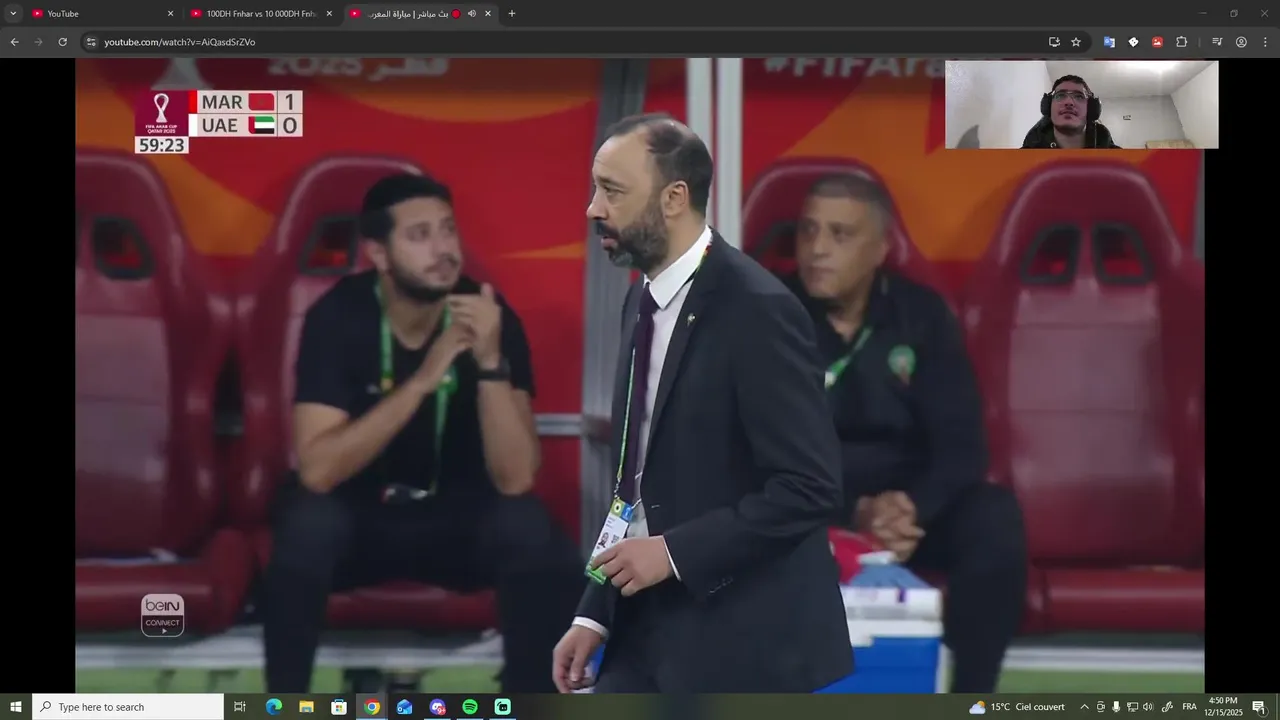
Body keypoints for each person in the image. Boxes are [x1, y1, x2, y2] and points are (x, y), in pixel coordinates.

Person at [550, 113, 851, 693]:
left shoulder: (757, 309)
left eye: (612, 191)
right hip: (649, 626)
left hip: (744, 637)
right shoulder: (640, 303)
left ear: (674, 198)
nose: (593, 209)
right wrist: (594, 609)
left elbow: (808, 488)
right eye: (595, 190)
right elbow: (633, 482)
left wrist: (672, 554)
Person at [262, 173, 583, 693]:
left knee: (530, 529)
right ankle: (284, 704)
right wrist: (423, 380)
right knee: (305, 524)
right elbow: (317, 471)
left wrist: (490, 363)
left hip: (453, 522)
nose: (443, 249)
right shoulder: (337, 316)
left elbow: (517, 478)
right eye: (419, 235)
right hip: (357, 523)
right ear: (379, 254)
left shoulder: (489, 316)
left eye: (448, 230)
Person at [788, 173, 1029, 694]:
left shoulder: (921, 315)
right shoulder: (768, 315)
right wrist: (854, 510)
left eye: (839, 234)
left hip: (908, 515)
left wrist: (912, 509)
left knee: (994, 519)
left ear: (880, 249)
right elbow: (758, 449)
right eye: (807, 230)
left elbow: (963, 447)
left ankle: (971, 698)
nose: (817, 249)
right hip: (806, 508)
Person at [1021, 75, 1120, 148]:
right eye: (1060, 95)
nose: (1069, 102)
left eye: (1079, 97)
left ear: (1091, 109)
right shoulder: (1020, 159)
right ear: (1048, 106)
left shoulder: (1118, 161)